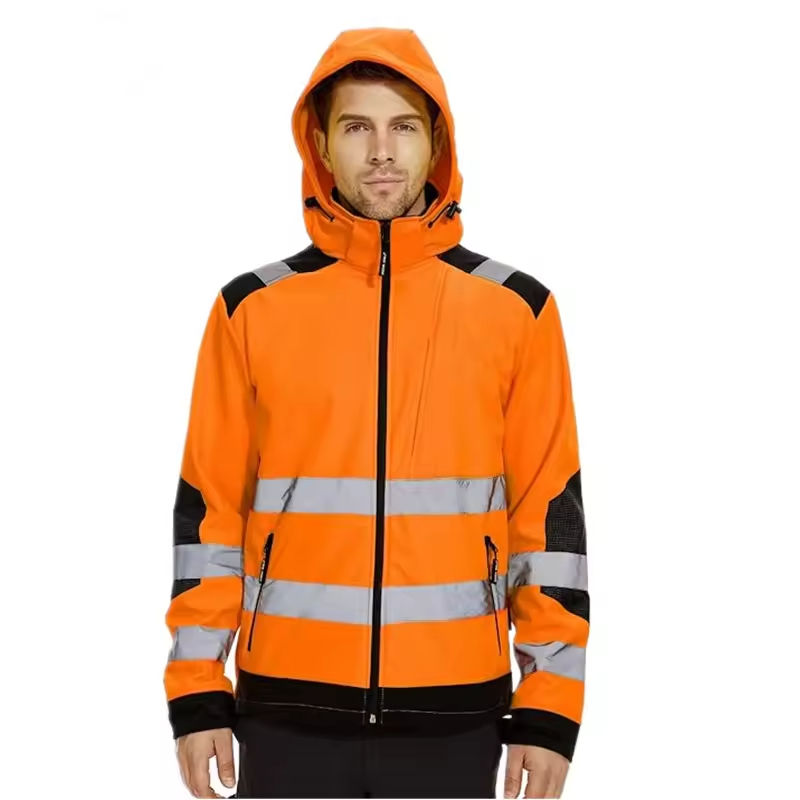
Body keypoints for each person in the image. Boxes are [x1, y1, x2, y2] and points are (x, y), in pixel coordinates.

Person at [163, 26, 589, 799]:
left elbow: (549, 523)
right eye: (358, 127)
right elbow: (209, 517)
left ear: (438, 144)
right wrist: (197, 692)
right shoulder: (250, 310)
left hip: (457, 717)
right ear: (322, 146)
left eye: (404, 127)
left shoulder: (517, 310)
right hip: (284, 713)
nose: (383, 152)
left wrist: (550, 704)